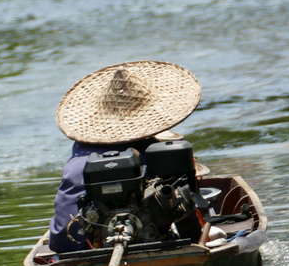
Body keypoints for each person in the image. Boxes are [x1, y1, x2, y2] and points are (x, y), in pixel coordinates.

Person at [47, 60, 202, 252]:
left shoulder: (78, 158)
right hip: (147, 247)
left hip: (71, 249)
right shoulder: (159, 155)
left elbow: (60, 241)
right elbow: (190, 230)